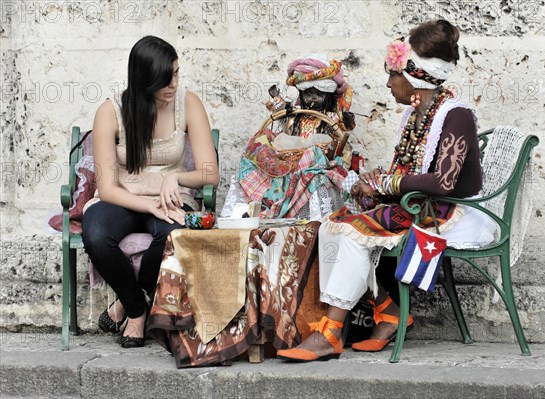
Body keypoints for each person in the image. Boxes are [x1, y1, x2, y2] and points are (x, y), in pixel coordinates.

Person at [277, 19, 496, 362]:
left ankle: (330, 333)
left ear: (414, 81)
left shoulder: (457, 116)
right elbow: (406, 172)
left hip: (454, 212)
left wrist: (385, 184)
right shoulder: (414, 116)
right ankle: (389, 311)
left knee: (352, 231)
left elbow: (444, 182)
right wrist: (375, 185)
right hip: (423, 205)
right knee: (334, 224)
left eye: (392, 74)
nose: (387, 82)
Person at [82, 36, 219, 348]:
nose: (173, 84)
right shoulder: (111, 111)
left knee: (176, 234)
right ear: (144, 79)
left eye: (176, 73)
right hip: (121, 197)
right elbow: (106, 187)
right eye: (164, 78)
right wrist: (147, 206)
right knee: (97, 233)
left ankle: (132, 301)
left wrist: (177, 179)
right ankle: (136, 308)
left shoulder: (188, 103)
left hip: (170, 199)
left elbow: (211, 173)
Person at [221, 54, 355, 220]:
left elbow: (342, 134)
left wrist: (345, 120)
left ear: (328, 95)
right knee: (261, 144)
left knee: (314, 165)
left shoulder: (330, 118)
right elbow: (281, 111)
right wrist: (276, 98)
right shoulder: (295, 115)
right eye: (308, 93)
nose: (313, 98)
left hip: (314, 162)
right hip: (288, 160)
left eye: (319, 94)